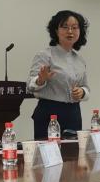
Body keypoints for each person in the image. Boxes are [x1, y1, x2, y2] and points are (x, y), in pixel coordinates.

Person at [27, 10, 90, 139]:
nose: (70, 31)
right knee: (49, 151)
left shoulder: (79, 60)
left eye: (74, 27)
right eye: (65, 27)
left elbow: (86, 87)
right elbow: (30, 85)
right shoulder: (45, 55)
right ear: (56, 30)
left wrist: (82, 92)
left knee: (73, 151)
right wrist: (40, 80)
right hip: (50, 113)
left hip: (74, 113)